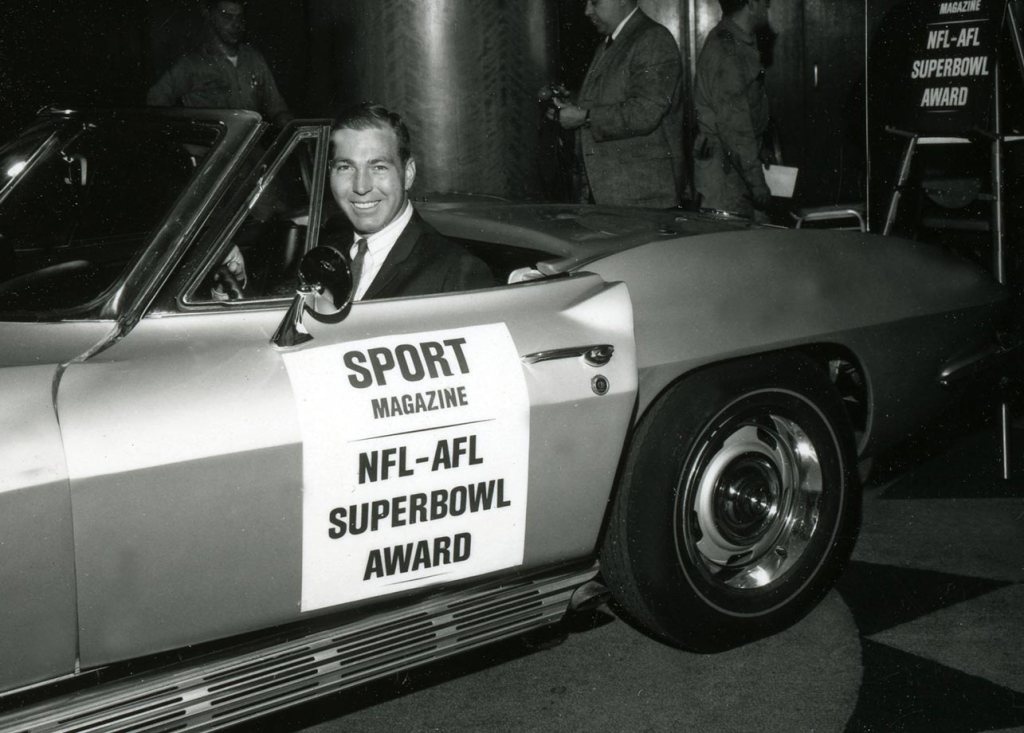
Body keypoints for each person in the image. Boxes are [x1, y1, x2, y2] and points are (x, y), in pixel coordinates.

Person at [326, 104, 495, 301]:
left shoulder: (457, 274)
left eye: (379, 167)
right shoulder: (321, 253)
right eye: (345, 167)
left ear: (408, 174)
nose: (361, 187)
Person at [546, 0, 684, 208]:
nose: (587, 11)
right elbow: (614, 97)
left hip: (640, 198)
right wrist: (572, 102)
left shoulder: (653, 38)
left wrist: (585, 117)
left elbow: (645, 112)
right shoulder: (612, 41)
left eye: (595, 2)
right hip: (615, 194)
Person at [147, 0, 292, 127]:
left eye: (239, 17)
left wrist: (293, 129)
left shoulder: (254, 58)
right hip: (211, 148)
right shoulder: (191, 64)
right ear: (209, 15)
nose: (236, 24)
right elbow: (155, 103)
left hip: (249, 146)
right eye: (227, 17)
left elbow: (276, 107)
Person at [693, 0, 774, 220]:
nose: (768, 7)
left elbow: (748, 108)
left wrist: (759, 148)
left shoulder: (740, 42)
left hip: (734, 167)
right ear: (752, 4)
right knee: (732, 237)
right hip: (725, 176)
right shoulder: (727, 51)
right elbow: (735, 129)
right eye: (765, 2)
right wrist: (757, 183)